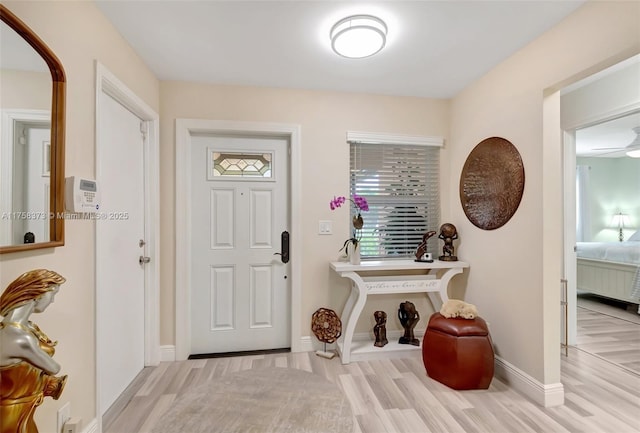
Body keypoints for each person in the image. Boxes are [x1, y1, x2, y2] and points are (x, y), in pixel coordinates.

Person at [0, 269, 68, 433]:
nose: (52, 301)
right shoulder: (20, 338)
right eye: (52, 294)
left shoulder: (26, 327)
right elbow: (54, 368)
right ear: (38, 293)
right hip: (14, 414)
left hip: (26, 408)